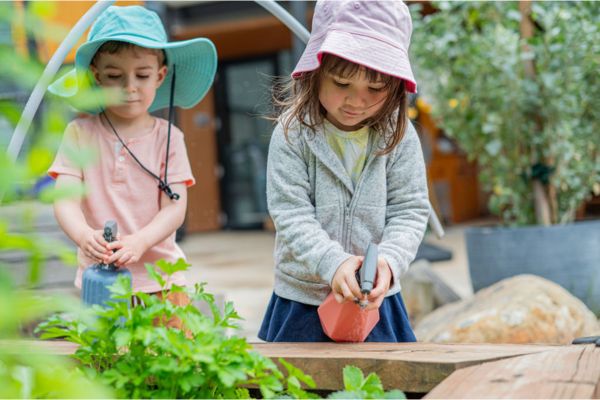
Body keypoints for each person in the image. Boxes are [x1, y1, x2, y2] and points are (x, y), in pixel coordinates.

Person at [259, 0, 430, 342]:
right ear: (316, 70)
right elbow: (291, 212)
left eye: (376, 88)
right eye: (341, 83)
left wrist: (389, 262)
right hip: (303, 299)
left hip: (376, 303)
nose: (357, 100)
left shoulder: (399, 134)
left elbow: (409, 209)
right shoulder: (293, 133)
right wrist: (332, 263)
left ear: (395, 86)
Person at [47, 5, 217, 311]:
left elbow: (175, 208)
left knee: (167, 356)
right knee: (107, 356)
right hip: (102, 279)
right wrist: (84, 235)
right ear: (96, 77)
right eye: (115, 75)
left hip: (162, 279)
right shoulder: (79, 133)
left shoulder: (169, 138)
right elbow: (65, 199)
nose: (130, 87)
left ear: (160, 76)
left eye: (142, 75)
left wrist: (141, 240)